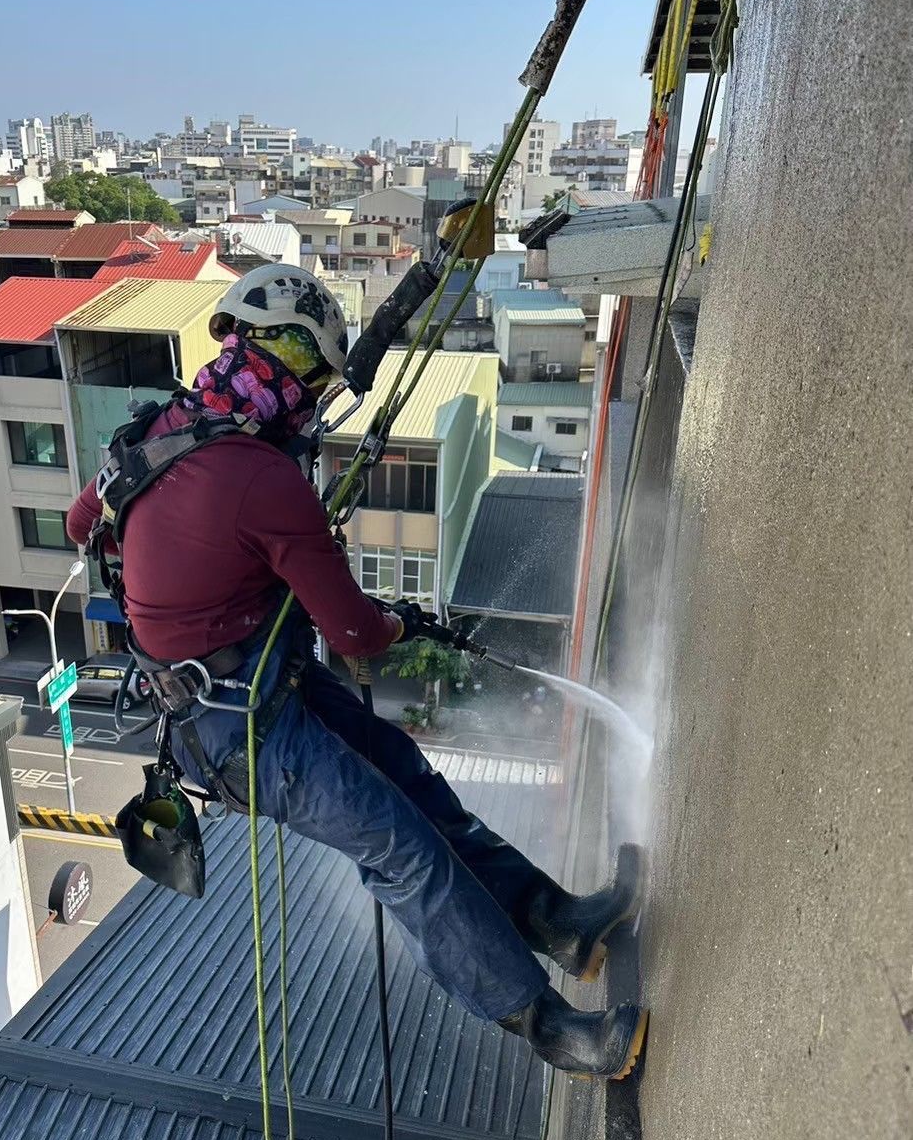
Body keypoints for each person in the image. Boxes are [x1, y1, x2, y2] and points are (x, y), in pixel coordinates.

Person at [67, 265, 647, 1078]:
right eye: (311, 378)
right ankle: (553, 1029)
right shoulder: (262, 480)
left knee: (416, 786)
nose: (310, 401)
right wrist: (384, 615)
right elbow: (356, 636)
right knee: (405, 851)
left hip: (247, 702)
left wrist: (191, 577)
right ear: (286, 361)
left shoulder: (159, 431)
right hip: (245, 731)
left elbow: (79, 521)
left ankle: (559, 922)